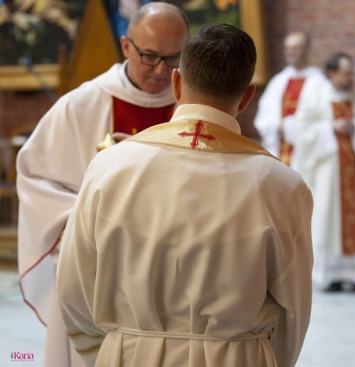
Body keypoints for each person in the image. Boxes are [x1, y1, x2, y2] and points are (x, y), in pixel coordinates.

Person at [56, 23, 314, 367]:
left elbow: (74, 290)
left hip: (130, 356)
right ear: (248, 96)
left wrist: (111, 351)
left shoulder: (108, 167)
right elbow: (293, 310)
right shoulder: (282, 185)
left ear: (176, 83)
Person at [16, 3, 189, 366]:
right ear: (126, 46)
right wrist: (89, 215)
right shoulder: (82, 104)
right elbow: (36, 177)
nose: (161, 71)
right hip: (99, 267)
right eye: (150, 56)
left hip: (171, 271)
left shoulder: (191, 106)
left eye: (173, 59)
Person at [293, 52, 355, 292]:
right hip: (329, 171)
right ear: (331, 72)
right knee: (329, 219)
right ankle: (331, 275)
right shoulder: (316, 96)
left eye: (352, 72)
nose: (351, 78)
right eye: (346, 73)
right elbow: (301, 130)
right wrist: (331, 128)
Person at [253, 31, 324, 170]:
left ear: (306, 49)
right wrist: (275, 126)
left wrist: (293, 127)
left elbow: (322, 118)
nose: (291, 52)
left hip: (305, 152)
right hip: (279, 148)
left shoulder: (319, 82)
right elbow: (263, 116)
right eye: (288, 48)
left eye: (295, 48)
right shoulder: (278, 81)